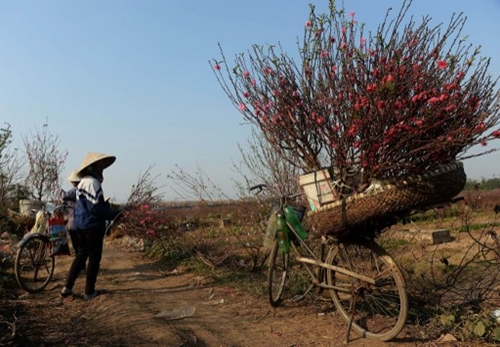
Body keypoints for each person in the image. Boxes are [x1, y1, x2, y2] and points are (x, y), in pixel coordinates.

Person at [60, 152, 120, 300]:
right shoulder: (93, 183)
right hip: (91, 225)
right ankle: (89, 291)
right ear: (93, 167)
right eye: (99, 166)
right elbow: (95, 208)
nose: (101, 169)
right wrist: (114, 214)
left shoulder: (82, 183)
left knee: (81, 255)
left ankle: (67, 287)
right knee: (94, 258)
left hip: (81, 224)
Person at [60, 170, 82, 259]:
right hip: (78, 221)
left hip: (74, 222)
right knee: (79, 244)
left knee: (76, 244)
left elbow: (64, 196)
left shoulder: (74, 190)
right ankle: (81, 262)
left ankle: (80, 262)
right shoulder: (80, 191)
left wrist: (59, 190)